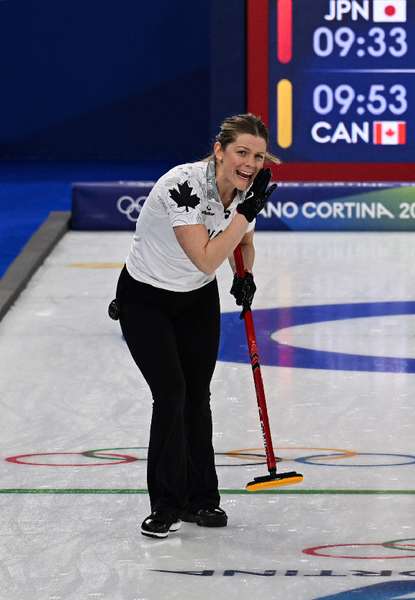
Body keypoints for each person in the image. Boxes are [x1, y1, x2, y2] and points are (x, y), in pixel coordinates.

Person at [112, 114, 278, 538]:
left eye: (257, 156)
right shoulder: (181, 186)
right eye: (241, 152)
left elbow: (242, 243)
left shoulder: (245, 193)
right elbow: (205, 256)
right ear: (219, 150)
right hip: (145, 298)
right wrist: (246, 213)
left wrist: (245, 275)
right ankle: (164, 505)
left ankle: (202, 500)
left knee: (196, 396)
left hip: (196, 299)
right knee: (171, 393)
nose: (250, 163)